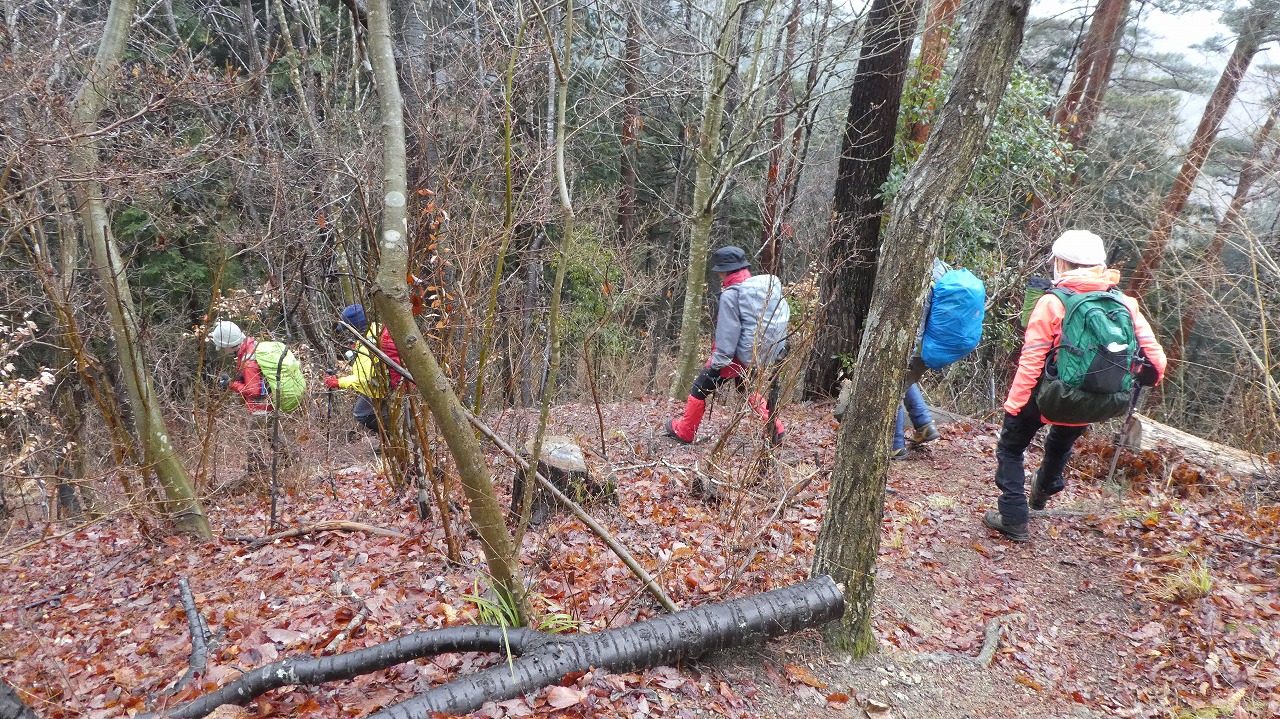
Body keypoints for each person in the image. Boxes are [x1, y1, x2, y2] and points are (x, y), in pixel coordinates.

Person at [984, 230, 1166, 542]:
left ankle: (1013, 517)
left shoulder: (1052, 303)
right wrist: (1139, 381)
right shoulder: (1125, 304)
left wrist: (1015, 405)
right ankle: (1045, 487)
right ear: (1100, 265)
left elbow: (1031, 360)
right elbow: (1157, 362)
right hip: (1097, 400)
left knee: (1010, 448)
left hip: (1050, 396)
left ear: (1061, 264)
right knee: (1062, 439)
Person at [664, 246, 789, 445]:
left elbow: (728, 333)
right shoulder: (755, 290)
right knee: (745, 389)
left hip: (732, 357)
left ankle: (685, 432)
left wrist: (717, 364)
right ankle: (776, 428)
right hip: (752, 354)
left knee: (699, 389)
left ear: (725, 270)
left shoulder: (731, 295)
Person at [323, 304, 398, 433]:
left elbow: (364, 379)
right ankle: (392, 438)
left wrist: (338, 382)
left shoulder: (366, 347)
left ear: (354, 328)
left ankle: (393, 437)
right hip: (391, 382)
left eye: (348, 329)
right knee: (382, 414)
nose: (347, 333)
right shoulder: (376, 329)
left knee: (362, 414)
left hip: (382, 388)